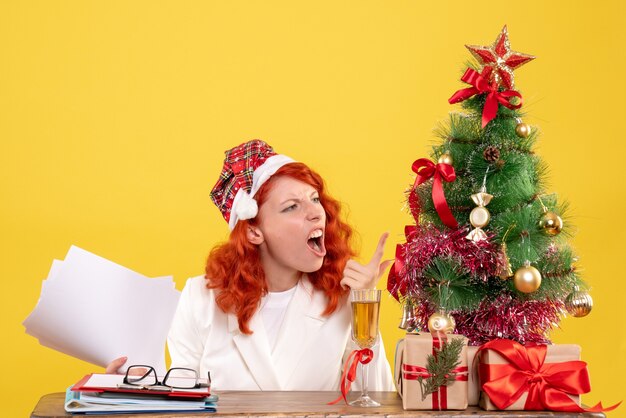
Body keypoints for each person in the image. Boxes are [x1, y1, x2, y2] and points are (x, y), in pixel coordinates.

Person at [108, 139, 394, 391]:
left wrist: (364, 304)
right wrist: (119, 391)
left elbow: (374, 402)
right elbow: (182, 403)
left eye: (314, 199)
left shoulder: (342, 297)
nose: (315, 214)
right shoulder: (200, 298)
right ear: (254, 231)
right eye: (291, 206)